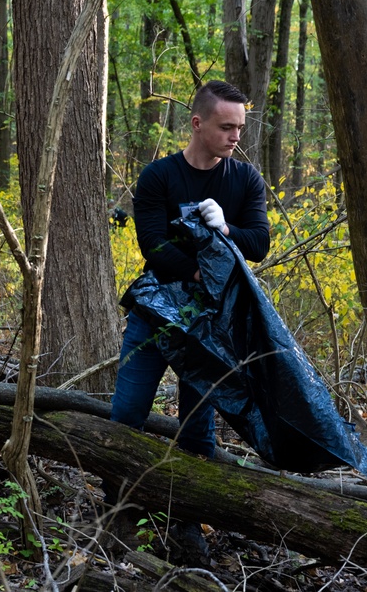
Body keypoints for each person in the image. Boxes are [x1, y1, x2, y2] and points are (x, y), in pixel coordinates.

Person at [111, 80, 271, 456]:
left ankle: (188, 511)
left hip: (210, 322)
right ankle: (118, 503)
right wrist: (200, 273)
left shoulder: (245, 179)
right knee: (128, 412)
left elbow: (259, 245)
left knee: (198, 427)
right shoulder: (159, 176)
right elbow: (153, 244)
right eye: (226, 127)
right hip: (154, 312)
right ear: (198, 123)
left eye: (239, 128)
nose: (235, 137)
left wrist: (225, 227)